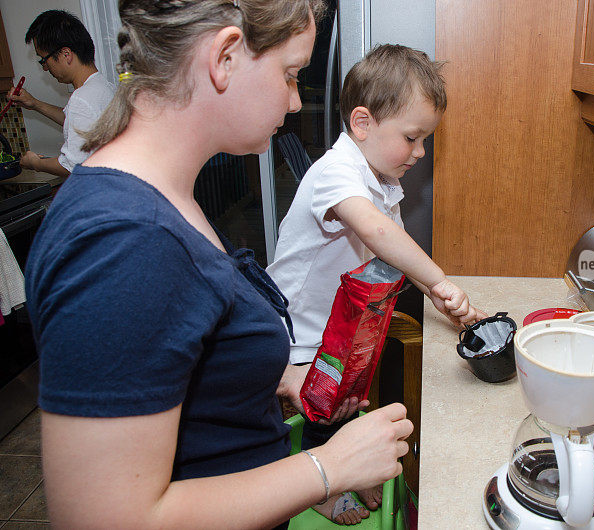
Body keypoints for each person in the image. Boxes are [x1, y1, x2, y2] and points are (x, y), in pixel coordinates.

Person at [24, 1, 412, 529]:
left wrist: (274, 378)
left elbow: (179, 355)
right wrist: (328, 468)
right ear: (225, 56)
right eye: (291, 74)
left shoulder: (163, 197)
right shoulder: (124, 244)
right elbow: (109, 519)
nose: (297, 102)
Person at [266, 44, 487, 523]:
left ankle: (346, 471)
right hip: (298, 329)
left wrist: (436, 296)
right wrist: (438, 280)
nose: (420, 151)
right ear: (362, 123)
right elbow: (375, 231)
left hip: (340, 324)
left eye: (425, 139)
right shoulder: (335, 173)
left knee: (345, 401)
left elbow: (393, 246)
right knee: (325, 407)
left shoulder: (381, 179)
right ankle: (320, 487)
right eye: (412, 137)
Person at [5, 10, 114, 177]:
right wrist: (35, 104)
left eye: (44, 60)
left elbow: (72, 167)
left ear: (66, 54)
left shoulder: (81, 99)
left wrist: (36, 163)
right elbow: (80, 124)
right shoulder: (104, 87)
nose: (45, 68)